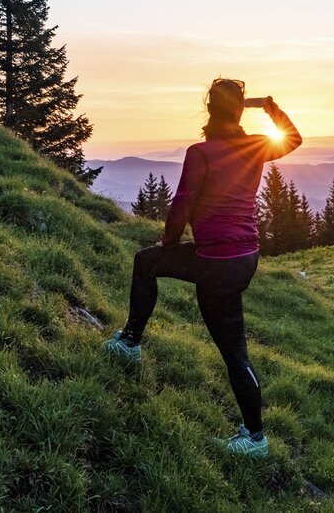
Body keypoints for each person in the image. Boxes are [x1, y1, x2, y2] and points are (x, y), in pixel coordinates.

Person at [105, 78, 302, 457]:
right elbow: (292, 139)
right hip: (245, 257)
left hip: (216, 262)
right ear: (239, 110)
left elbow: (183, 203)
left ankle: (255, 438)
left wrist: (170, 243)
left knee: (232, 349)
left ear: (209, 109)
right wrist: (270, 108)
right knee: (149, 265)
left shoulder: (201, 152)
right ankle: (129, 342)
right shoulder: (255, 146)